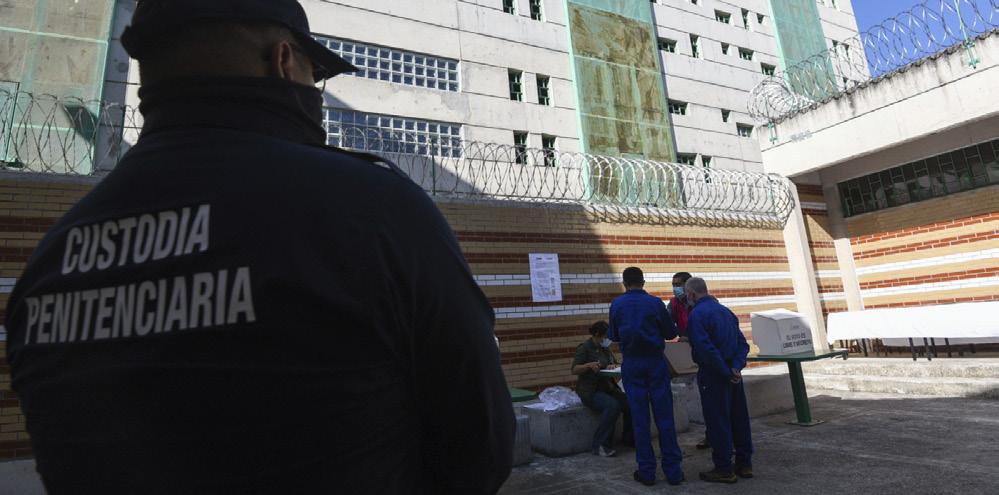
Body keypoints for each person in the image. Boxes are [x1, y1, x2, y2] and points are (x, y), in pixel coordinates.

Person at [3, 1, 515, 493]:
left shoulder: (50, 264)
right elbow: (481, 450)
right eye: (314, 76)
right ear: (283, 60)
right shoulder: (375, 213)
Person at [608, 267, 684, 487]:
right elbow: (671, 333)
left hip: (632, 365)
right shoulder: (655, 303)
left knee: (640, 420)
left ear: (625, 283)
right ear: (643, 282)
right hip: (655, 363)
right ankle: (673, 472)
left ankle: (647, 472)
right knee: (665, 418)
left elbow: (613, 335)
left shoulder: (617, 304)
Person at [684, 277, 754, 484]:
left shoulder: (697, 315)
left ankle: (724, 468)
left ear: (691, 294)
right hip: (733, 374)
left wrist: (725, 371)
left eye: (686, 293)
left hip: (714, 375)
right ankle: (744, 463)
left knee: (718, 421)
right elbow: (742, 344)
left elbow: (706, 349)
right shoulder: (725, 312)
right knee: (739, 419)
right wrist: (736, 368)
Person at [571, 321, 633, 457]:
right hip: (590, 391)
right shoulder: (585, 348)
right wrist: (588, 365)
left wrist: (613, 366)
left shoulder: (606, 349)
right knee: (612, 406)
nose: (607, 340)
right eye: (606, 336)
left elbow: (614, 363)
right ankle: (600, 444)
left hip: (607, 388)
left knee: (629, 403)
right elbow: (574, 369)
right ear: (597, 334)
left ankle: (629, 438)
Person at [666, 271, 712, 450]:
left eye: (678, 284)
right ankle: (711, 434)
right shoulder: (674, 304)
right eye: (673, 284)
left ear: (688, 286)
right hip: (687, 354)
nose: (675, 288)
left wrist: (690, 337)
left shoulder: (704, 303)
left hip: (705, 353)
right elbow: (667, 326)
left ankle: (714, 435)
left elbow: (709, 330)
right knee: (700, 397)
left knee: (710, 397)